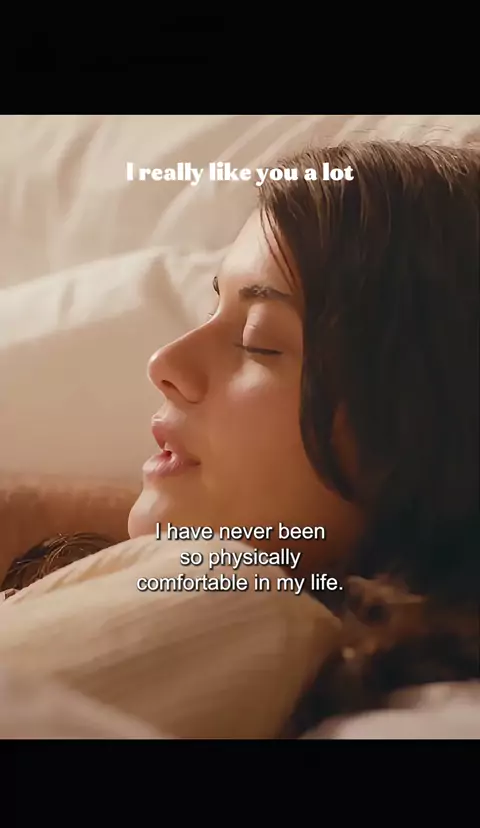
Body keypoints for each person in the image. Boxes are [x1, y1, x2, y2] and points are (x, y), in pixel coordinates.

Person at [0, 141, 477, 738]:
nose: (165, 363)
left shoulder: (231, 594)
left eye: (259, 341)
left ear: (421, 429)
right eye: (212, 309)